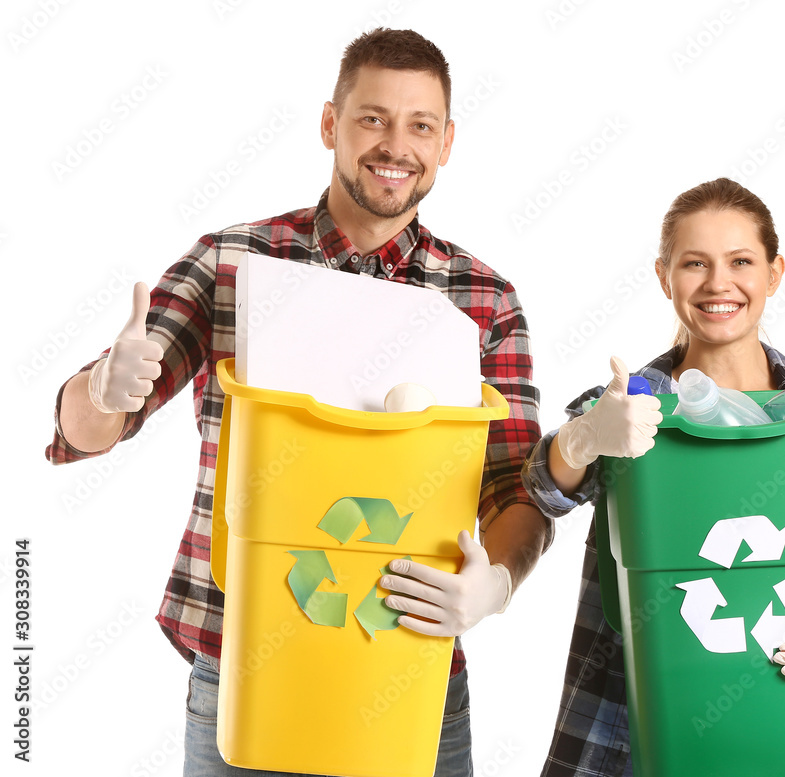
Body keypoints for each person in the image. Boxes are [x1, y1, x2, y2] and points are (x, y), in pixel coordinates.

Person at [45, 28, 551, 777]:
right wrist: (100, 389)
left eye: (420, 126)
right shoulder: (232, 262)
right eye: (373, 117)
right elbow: (84, 432)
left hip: (408, 669)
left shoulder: (485, 301)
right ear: (330, 125)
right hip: (244, 665)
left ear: (446, 143)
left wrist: (496, 584)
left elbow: (518, 489)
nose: (395, 145)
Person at [521, 177, 785, 777]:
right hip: (629, 731)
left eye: (741, 261)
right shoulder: (630, 407)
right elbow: (545, 488)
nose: (718, 284)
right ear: (664, 276)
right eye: (694, 264)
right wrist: (586, 436)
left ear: (774, 272)